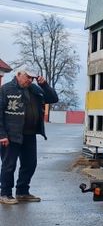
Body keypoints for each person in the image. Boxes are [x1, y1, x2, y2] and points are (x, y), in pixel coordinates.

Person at [0, 67, 59, 204]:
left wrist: (43, 84)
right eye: (27, 77)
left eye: (32, 78)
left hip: (29, 134)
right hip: (11, 135)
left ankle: (22, 192)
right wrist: (2, 134)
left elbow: (53, 98)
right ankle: (5, 194)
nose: (30, 80)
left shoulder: (35, 89)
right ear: (19, 74)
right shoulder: (6, 89)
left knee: (30, 164)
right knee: (9, 165)